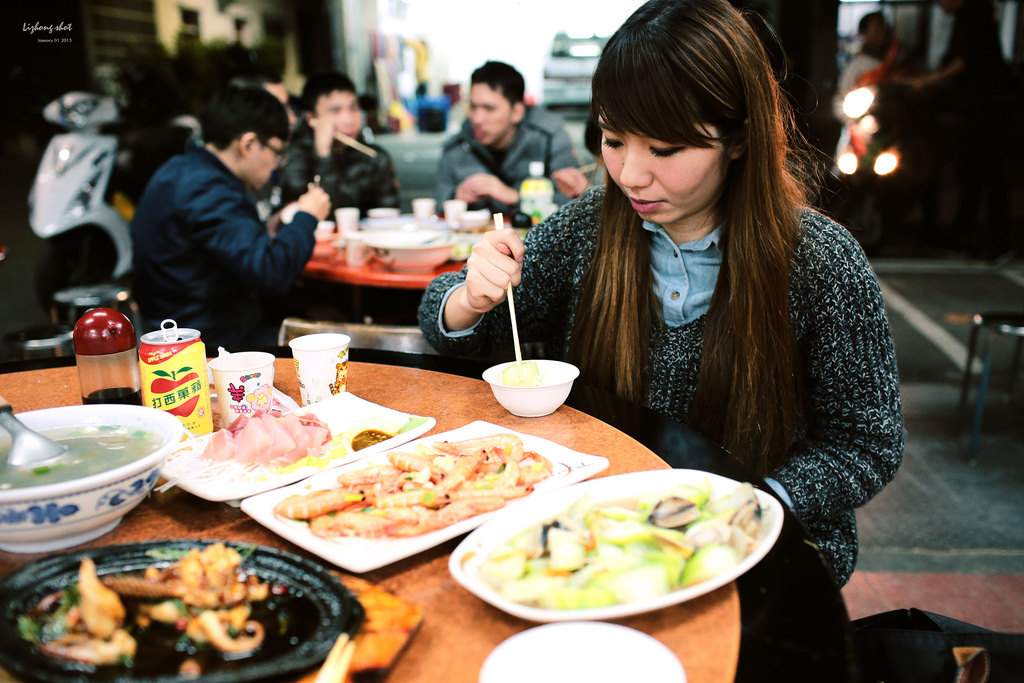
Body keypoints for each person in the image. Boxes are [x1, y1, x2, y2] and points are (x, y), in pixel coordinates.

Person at [418, 0, 904, 587]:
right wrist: (471, 297)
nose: (630, 175)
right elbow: (472, 328)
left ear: (739, 138)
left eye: (664, 150)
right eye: (613, 140)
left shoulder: (821, 261)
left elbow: (866, 443)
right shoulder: (587, 228)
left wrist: (748, 505)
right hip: (598, 542)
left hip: (756, 551)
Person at [130, 85, 331, 348]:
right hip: (208, 342)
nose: (276, 164)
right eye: (277, 153)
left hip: (188, 323)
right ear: (248, 144)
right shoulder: (208, 188)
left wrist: (269, 228)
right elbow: (271, 273)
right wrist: (307, 217)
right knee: (336, 332)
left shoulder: (182, 169)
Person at [910, 0, 1013, 261]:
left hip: (987, 107)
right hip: (978, 106)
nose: (939, 4)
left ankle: (996, 240)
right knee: (974, 173)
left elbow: (963, 62)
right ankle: (966, 236)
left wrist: (927, 82)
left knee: (987, 173)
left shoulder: (974, 15)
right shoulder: (970, 16)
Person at [434, 61, 588, 216]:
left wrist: (515, 197)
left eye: (489, 109)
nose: (477, 119)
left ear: (517, 112)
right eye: (473, 107)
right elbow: (439, 203)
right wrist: (455, 197)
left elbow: (578, 202)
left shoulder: (549, 138)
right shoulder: (458, 146)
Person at [279, 72, 400, 216]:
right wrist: (323, 155)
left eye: (353, 108)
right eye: (335, 111)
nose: (349, 120)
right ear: (311, 118)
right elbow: (313, 216)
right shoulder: (295, 157)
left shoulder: (374, 157)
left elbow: (388, 211)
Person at [832, 11, 916, 120]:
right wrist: (854, 123)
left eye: (883, 26)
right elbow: (841, 99)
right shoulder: (857, 64)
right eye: (877, 27)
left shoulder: (902, 56)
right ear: (864, 33)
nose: (882, 31)